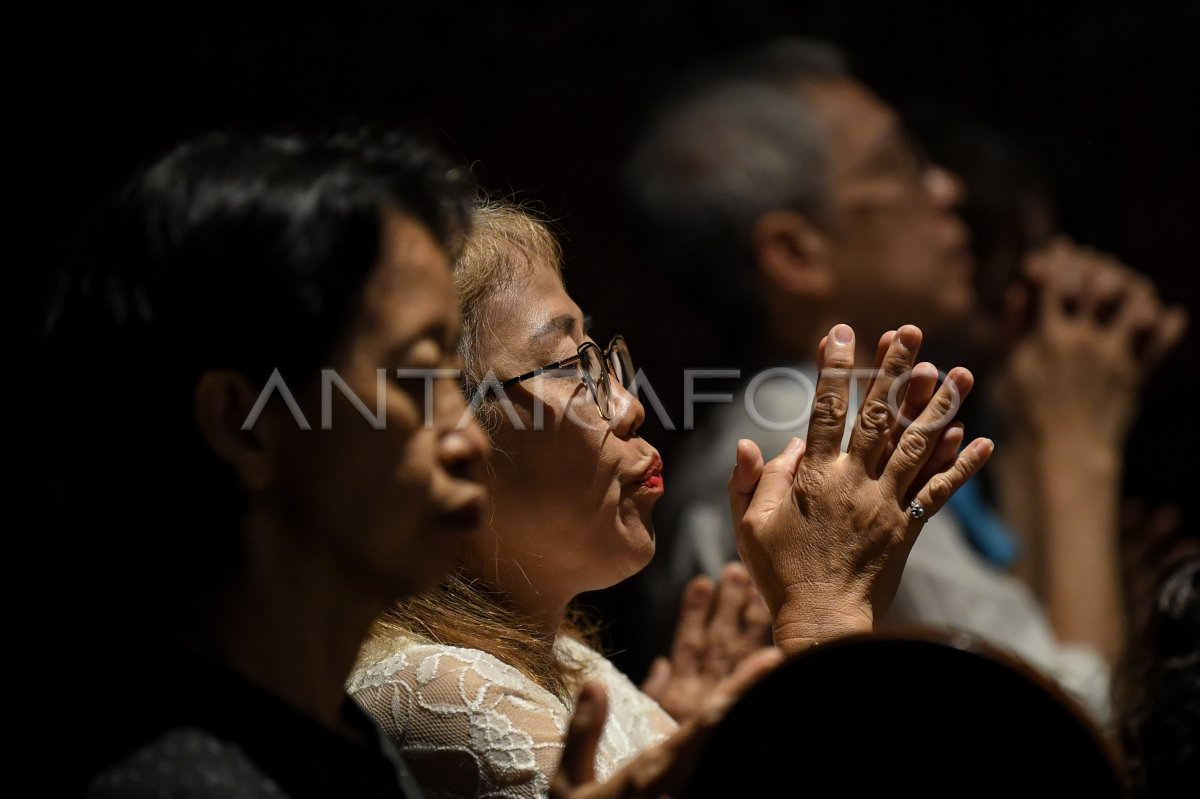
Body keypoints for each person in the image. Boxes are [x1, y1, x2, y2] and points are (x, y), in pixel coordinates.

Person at [350, 201, 993, 797]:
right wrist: (825, 613)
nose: (629, 407)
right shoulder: (436, 691)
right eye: (569, 369)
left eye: (599, 359)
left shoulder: (570, 663)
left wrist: (689, 740)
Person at [624, 38, 1185, 722]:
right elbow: (1069, 730)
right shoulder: (796, 434)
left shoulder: (859, 411)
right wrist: (1078, 444)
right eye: (897, 167)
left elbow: (1022, 644)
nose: (946, 188)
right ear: (797, 253)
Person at [48, 130, 492, 797]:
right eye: (418, 374)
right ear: (242, 425)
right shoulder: (178, 780)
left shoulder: (339, 735)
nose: (470, 439)